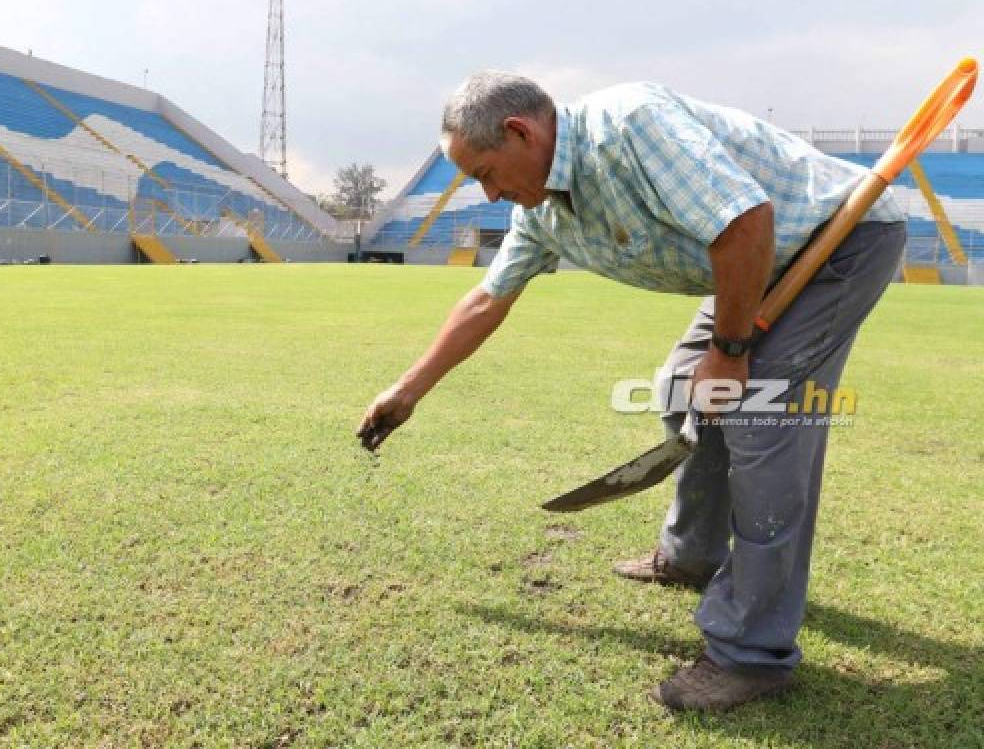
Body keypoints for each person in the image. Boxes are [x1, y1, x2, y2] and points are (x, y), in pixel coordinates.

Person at [356, 70, 906, 712]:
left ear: (519, 132)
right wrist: (409, 390)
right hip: (751, 258)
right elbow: (486, 299)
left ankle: (751, 654)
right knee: (680, 389)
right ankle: (693, 554)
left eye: (484, 171)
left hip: (833, 241)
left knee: (762, 422)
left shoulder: (631, 126)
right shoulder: (540, 213)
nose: (488, 192)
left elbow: (747, 220)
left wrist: (730, 355)